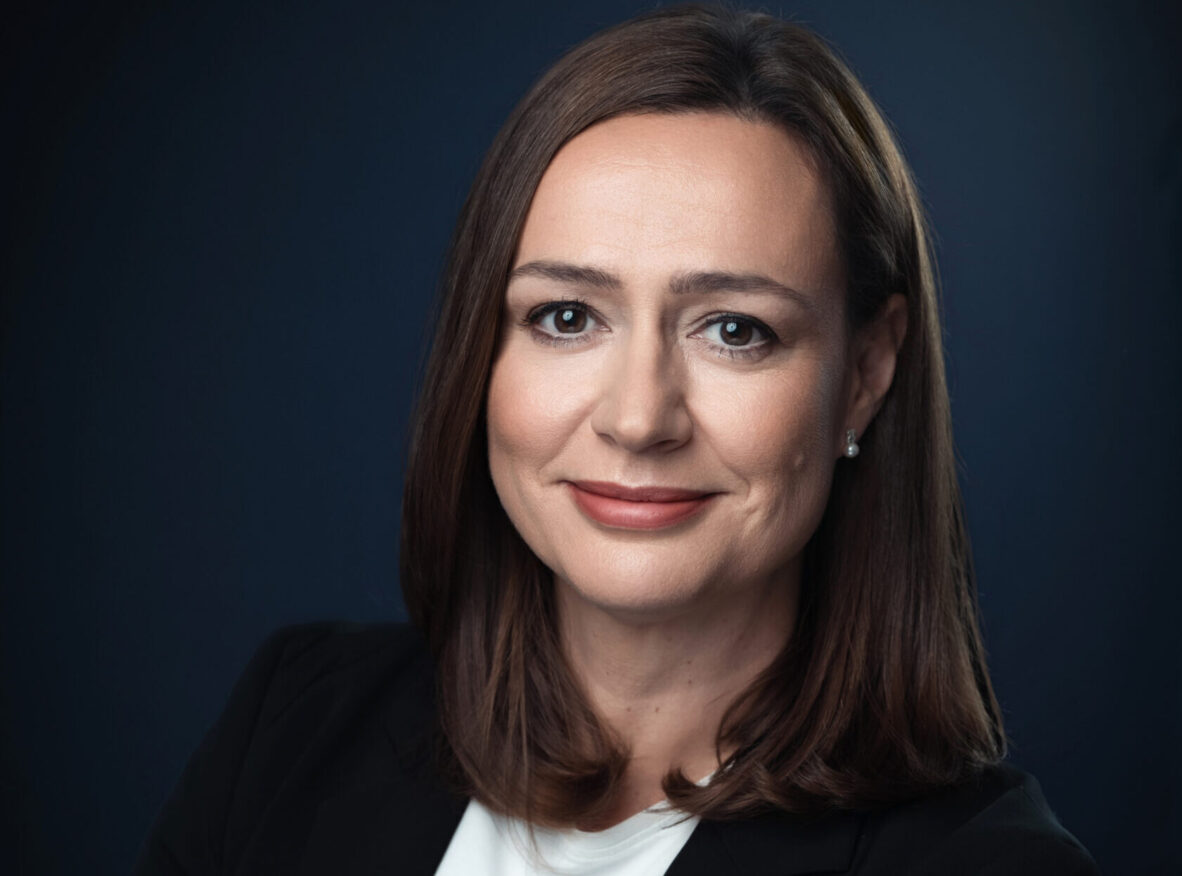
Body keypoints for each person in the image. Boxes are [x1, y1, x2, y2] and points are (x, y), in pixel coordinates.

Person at [135, 6, 1099, 874]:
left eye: (735, 330)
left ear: (865, 373)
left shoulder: (984, 862)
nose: (638, 420)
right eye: (566, 317)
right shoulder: (296, 726)